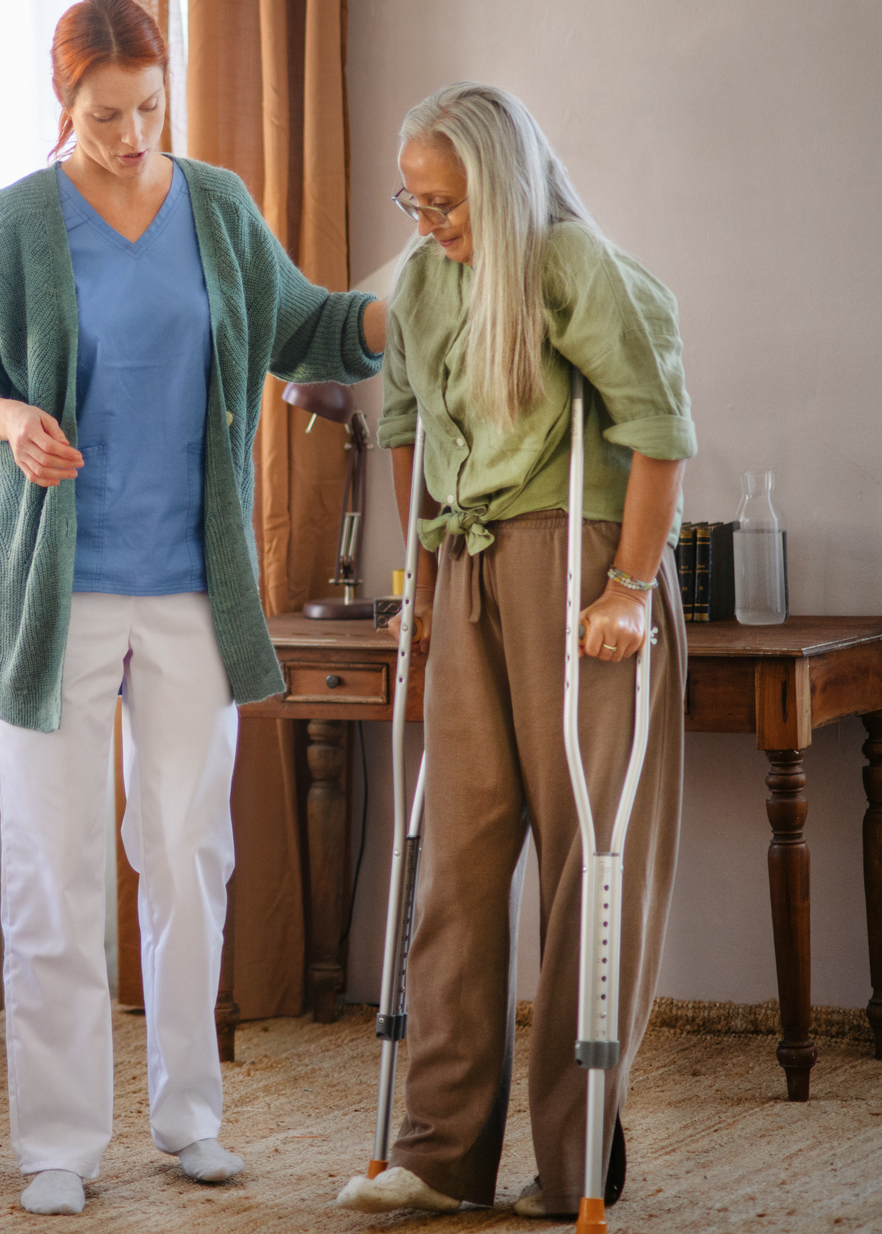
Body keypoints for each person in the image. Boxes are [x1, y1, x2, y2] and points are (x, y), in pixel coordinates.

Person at [0, 0, 385, 1218]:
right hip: (53, 596)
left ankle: (190, 1118)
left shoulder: (220, 207)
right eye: (105, 116)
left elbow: (311, 326)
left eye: (149, 110)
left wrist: (415, 303)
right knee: (56, 869)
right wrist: (10, 419)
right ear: (62, 107)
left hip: (191, 588)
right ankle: (58, 1143)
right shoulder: (18, 221)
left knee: (186, 855)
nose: (132, 136)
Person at [335, 82, 690, 1219]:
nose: (427, 220)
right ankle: (440, 1152)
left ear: (499, 182)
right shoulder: (426, 278)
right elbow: (405, 431)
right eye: (413, 199)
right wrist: (424, 578)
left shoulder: (575, 263)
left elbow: (656, 429)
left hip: (579, 559)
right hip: (468, 560)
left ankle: (579, 1156)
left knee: (590, 857)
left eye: (444, 201)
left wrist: (630, 589)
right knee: (457, 859)